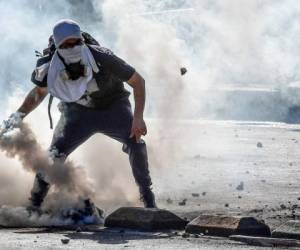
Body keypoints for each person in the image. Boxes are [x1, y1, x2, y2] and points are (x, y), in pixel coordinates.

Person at [2, 19, 156, 209]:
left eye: (75, 42)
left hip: (113, 107)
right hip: (76, 113)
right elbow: (39, 92)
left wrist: (138, 118)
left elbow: (137, 81)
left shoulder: (101, 56)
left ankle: (147, 197)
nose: (71, 47)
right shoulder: (49, 66)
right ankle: (34, 204)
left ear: (81, 40)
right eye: (65, 45)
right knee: (53, 155)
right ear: (57, 46)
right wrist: (17, 116)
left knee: (135, 140)